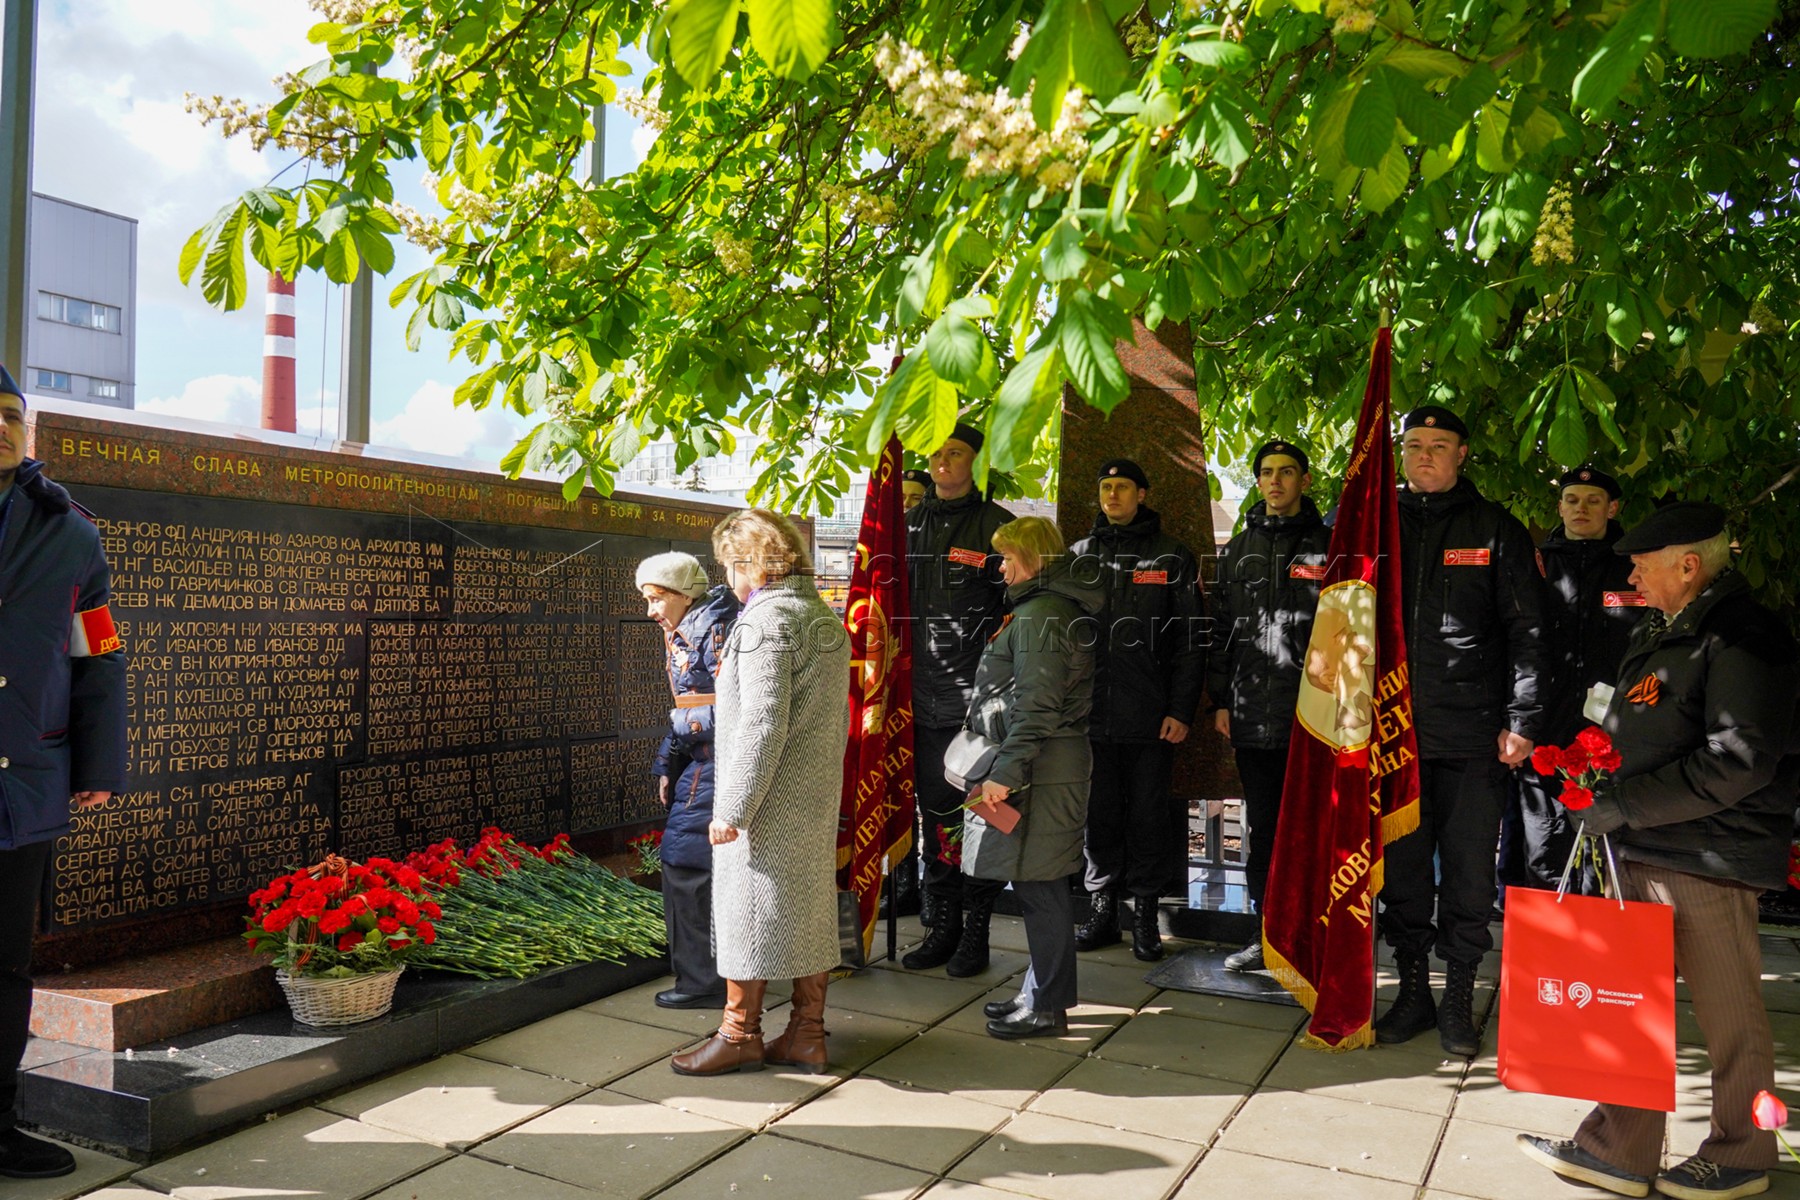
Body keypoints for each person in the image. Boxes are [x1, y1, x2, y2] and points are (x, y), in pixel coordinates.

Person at [1517, 501, 1798, 1200]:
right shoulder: (1666, 626)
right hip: (1643, 843)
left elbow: (1739, 760)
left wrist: (1624, 804)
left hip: (1704, 854)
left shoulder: (1742, 634)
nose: (1633, 576)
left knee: (1730, 1016)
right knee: (1630, 1005)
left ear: (1689, 564)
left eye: (1643, 565)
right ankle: (1620, 1148)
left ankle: (1740, 1155)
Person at [1377, 405, 1549, 1058]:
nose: (1423, 456)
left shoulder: (1495, 529)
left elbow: (1528, 631)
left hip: (1474, 736)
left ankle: (1458, 997)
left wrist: (1523, 720)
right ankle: (1414, 991)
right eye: (1413, 445)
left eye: (1438, 445)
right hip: (1396, 736)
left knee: (1472, 877)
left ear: (1462, 454)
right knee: (1405, 875)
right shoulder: (1380, 527)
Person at [0, 367, 128, 1180]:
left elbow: (100, 658)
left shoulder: (72, 534)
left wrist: (97, 762)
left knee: (7, 966)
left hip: (22, 788)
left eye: (12, 415)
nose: (0, 428)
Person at [670, 510, 850, 1076]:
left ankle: (740, 1032)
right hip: (812, 791)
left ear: (752, 562)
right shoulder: (819, 616)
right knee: (806, 907)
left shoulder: (763, 623)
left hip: (767, 798)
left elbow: (762, 722)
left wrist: (732, 808)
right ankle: (806, 1033)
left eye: (730, 565)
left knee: (749, 911)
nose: (727, 579)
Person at [958, 517, 1102, 1037]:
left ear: (1036, 559)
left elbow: (1037, 707)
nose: (1001, 566)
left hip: (1040, 771)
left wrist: (1004, 773)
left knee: (1041, 887)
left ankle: (1048, 1006)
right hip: (1042, 767)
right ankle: (1037, 992)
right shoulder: (1045, 609)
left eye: (1009, 556)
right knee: (1035, 880)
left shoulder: (1042, 613)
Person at [1066, 459, 1206, 962]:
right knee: (1097, 816)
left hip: (1151, 717)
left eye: (1123, 486)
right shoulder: (1078, 554)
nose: (1112, 495)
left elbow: (1192, 641)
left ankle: (1146, 913)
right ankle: (1102, 909)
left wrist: (1181, 709)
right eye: (1105, 487)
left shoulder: (1172, 555)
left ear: (1142, 494)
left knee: (1149, 818)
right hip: (1090, 716)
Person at [1205, 440, 1330, 971]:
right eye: (1266, 473)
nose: (1275, 481)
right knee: (1266, 831)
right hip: (1253, 715)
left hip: (1317, 718)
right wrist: (1219, 700)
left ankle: (1318, 939)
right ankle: (1268, 935)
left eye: (1286, 472)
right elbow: (1218, 631)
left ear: (1304, 480)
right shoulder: (1237, 551)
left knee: (1317, 833)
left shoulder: (1332, 547)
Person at [902, 424, 1013, 977]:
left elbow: (1020, 611)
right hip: (921, 703)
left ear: (976, 461)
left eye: (957, 453)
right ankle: (940, 928)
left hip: (979, 709)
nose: (945, 462)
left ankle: (976, 934)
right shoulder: (906, 526)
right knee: (936, 817)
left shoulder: (997, 528)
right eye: (938, 453)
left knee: (984, 820)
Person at [1504, 466, 1647, 891]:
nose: (1581, 509)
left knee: (1608, 848)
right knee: (1544, 841)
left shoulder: (1633, 567)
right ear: (1560, 507)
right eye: (1572, 500)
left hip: (1616, 726)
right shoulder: (1536, 565)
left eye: (1593, 500)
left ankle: (1601, 941)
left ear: (1613, 507)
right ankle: (1548, 940)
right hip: (1547, 721)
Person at [638, 552, 740, 1009]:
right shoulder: (691, 627)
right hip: (700, 763)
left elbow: (737, 706)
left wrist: (680, 731)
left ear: (685, 594)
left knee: (685, 869)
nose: (651, 611)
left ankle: (701, 982)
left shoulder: (714, 630)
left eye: (657, 599)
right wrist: (667, 762)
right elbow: (689, 707)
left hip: (718, 767)